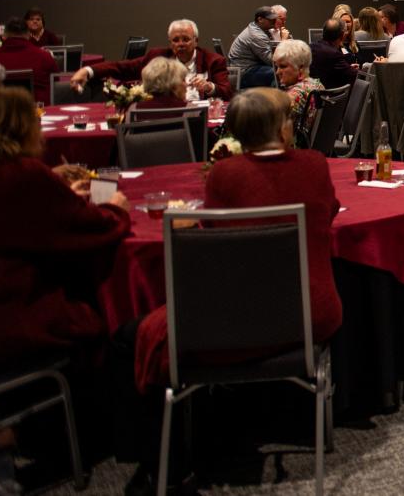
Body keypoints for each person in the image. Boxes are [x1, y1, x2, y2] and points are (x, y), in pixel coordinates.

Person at [123, 87, 341, 490]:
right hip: (311, 313)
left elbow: (218, 242)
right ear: (281, 127)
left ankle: (160, 461)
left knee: (134, 332)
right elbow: (326, 214)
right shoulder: (314, 164)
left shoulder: (225, 173)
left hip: (235, 324)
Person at [0, 86, 132, 370]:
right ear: (22, 128)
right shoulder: (23, 174)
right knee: (120, 329)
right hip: (15, 318)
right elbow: (95, 230)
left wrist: (57, 189)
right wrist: (116, 206)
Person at [71, 19, 232, 101]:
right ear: (170, 42)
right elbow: (122, 67)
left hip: (200, 119)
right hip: (166, 114)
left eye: (186, 39)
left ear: (196, 41)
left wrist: (209, 87)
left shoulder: (213, 60)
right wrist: (87, 70)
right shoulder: (158, 57)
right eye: (176, 40)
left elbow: (228, 92)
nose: (180, 44)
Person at [0, 17, 59, 99]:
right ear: (29, 35)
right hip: (36, 109)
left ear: (4, 36)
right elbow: (56, 80)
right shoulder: (45, 56)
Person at [227, 6, 281, 88]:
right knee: (278, 73)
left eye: (275, 18)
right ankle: (276, 99)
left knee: (280, 71)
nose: (274, 21)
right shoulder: (256, 35)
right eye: (270, 19)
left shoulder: (258, 28)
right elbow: (271, 61)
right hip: (244, 73)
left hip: (248, 68)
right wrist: (282, 41)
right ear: (260, 19)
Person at [309, 20, 358, 89]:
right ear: (342, 35)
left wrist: (348, 67)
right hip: (329, 95)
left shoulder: (311, 46)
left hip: (312, 92)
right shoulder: (334, 54)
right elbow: (353, 75)